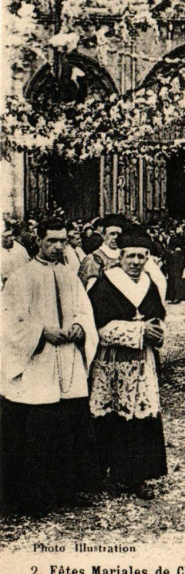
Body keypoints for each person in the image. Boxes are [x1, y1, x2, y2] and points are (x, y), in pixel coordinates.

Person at [1, 217, 100, 514]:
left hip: (68, 360)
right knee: (39, 433)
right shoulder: (21, 277)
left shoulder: (70, 275)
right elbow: (7, 324)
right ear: (38, 241)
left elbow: (85, 311)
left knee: (71, 428)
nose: (58, 247)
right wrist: (41, 331)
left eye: (63, 241)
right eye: (51, 241)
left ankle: (68, 489)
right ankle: (35, 497)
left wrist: (81, 328)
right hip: (38, 363)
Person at [88, 228, 168, 499]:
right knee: (109, 413)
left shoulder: (150, 284)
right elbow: (97, 327)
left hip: (142, 361)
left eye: (142, 257)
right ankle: (100, 472)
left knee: (140, 416)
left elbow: (158, 316)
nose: (136, 262)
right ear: (120, 257)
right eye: (131, 256)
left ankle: (137, 475)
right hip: (111, 361)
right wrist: (137, 330)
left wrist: (157, 330)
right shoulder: (104, 284)